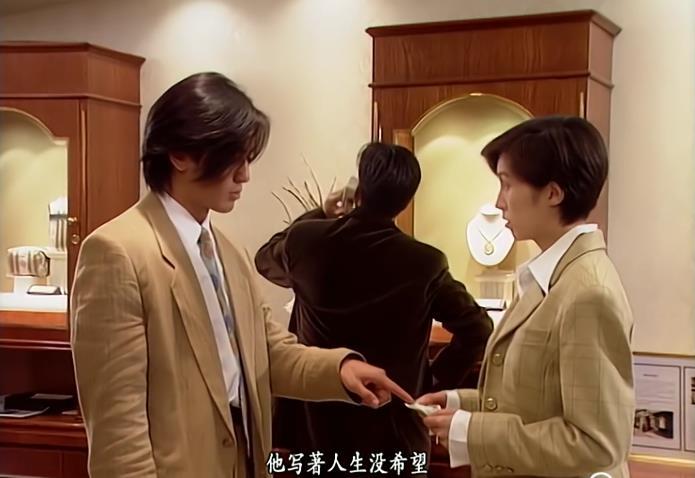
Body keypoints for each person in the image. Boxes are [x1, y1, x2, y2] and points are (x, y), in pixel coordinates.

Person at [70, 72, 412, 478]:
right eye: (234, 158)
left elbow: (267, 352)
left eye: (248, 159)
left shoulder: (227, 251)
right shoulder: (117, 252)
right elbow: (118, 433)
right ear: (180, 154)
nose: (245, 175)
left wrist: (340, 370)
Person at [255, 142, 493, 474]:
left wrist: (321, 212)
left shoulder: (307, 241)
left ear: (359, 189)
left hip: (314, 425)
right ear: (407, 200)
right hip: (393, 429)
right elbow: (478, 328)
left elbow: (265, 260)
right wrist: (432, 381)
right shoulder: (425, 262)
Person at [417, 116, 635, 478]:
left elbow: (596, 443)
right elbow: (535, 400)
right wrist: (460, 403)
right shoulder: (549, 276)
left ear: (553, 193)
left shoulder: (588, 293)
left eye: (507, 184)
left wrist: (471, 430)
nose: (498, 202)